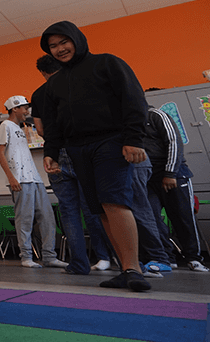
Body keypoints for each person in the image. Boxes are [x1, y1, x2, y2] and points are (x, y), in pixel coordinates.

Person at [40, 20, 151, 291]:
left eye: (63, 42)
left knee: (114, 202)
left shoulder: (107, 63)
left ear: (77, 39)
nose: (59, 49)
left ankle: (133, 268)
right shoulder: (55, 85)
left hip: (110, 142)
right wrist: (51, 153)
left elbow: (133, 99)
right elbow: (54, 123)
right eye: (53, 46)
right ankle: (124, 267)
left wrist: (134, 139)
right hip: (77, 149)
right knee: (99, 209)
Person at [32, 54, 106, 274]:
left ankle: (79, 263)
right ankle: (105, 257)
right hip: (80, 151)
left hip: (54, 154)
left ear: (43, 73)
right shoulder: (75, 83)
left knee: (69, 211)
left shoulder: (38, 94)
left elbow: (41, 130)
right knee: (92, 207)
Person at [0, 96, 67, 269]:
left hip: (35, 179)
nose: (27, 112)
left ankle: (49, 256)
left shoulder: (21, 128)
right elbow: (0, 152)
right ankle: (26, 256)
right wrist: (11, 177)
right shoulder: (5, 126)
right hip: (20, 179)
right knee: (25, 219)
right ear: (14, 109)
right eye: (24, 108)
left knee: (47, 217)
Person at [143, 101, 210, 272]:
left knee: (182, 218)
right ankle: (165, 257)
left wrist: (170, 173)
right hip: (149, 178)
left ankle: (193, 258)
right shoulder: (130, 123)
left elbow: (174, 142)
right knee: (152, 219)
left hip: (173, 175)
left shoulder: (156, 115)